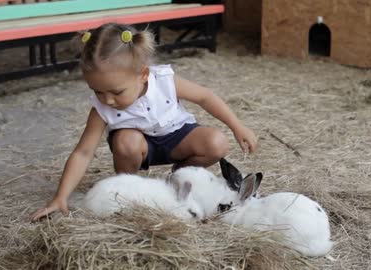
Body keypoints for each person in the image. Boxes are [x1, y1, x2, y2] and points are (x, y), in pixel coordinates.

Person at [30, 23, 257, 221]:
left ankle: (178, 182)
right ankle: (128, 191)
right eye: (97, 91)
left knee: (216, 142)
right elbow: (83, 153)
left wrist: (237, 126)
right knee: (126, 141)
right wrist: (60, 197)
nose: (108, 99)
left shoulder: (164, 81)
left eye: (116, 91)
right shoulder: (101, 109)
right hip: (139, 148)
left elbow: (205, 96)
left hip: (177, 138)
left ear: (143, 75)